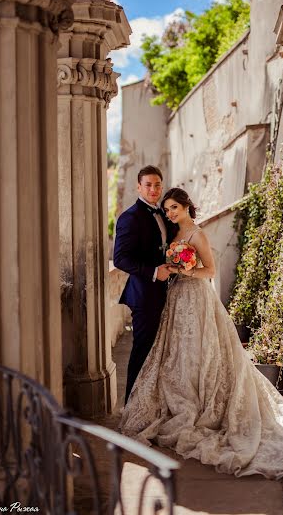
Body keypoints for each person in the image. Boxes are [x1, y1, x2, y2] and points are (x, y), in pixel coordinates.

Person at [120, 187, 283, 479]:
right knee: (178, 356)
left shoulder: (197, 234)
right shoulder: (173, 234)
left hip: (197, 298)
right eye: (167, 210)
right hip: (176, 299)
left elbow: (211, 270)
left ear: (187, 206)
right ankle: (181, 400)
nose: (170, 213)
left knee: (203, 354)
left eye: (174, 208)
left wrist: (185, 270)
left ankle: (204, 406)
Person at [113, 166, 177, 404]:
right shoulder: (129, 217)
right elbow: (120, 258)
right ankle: (131, 406)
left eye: (157, 185)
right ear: (138, 187)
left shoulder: (163, 213)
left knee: (163, 352)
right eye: (148, 185)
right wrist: (153, 272)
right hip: (144, 295)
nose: (153, 189)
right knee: (143, 351)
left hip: (168, 293)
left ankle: (155, 403)